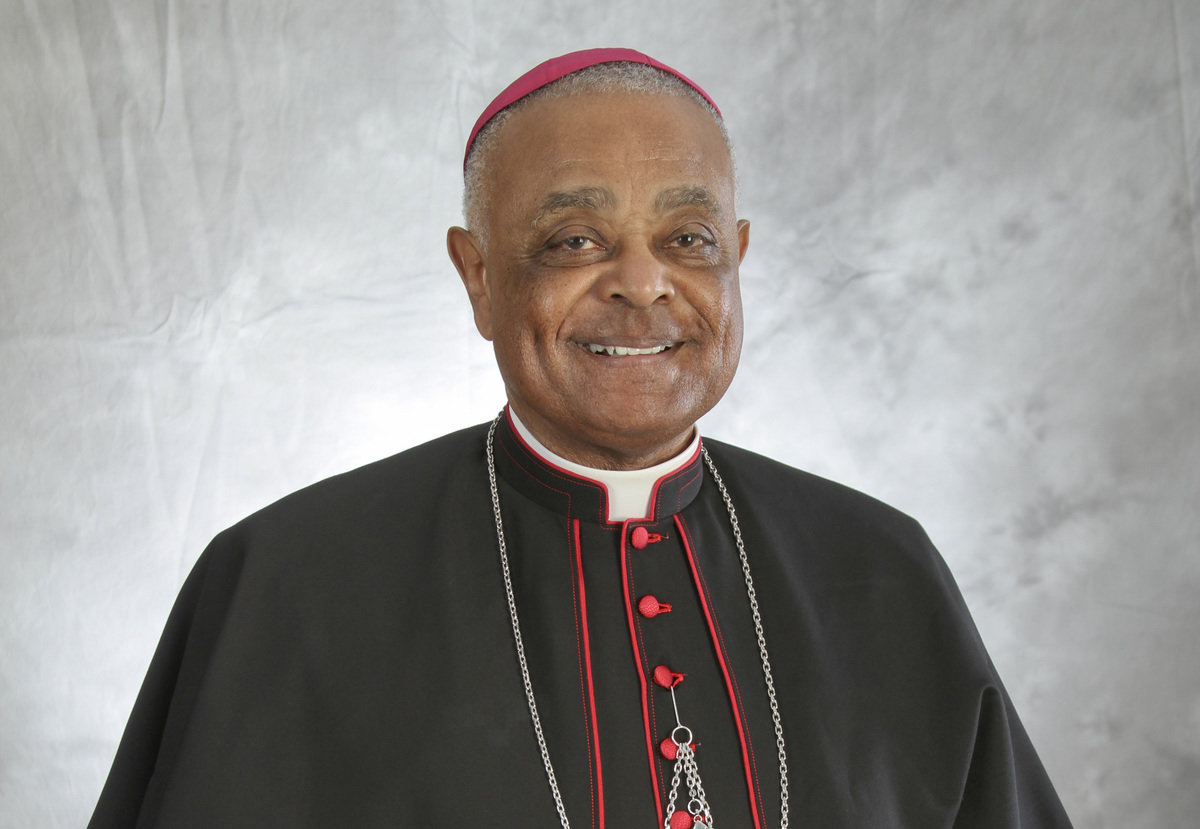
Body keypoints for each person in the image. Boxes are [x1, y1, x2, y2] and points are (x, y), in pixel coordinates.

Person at [89, 48, 1072, 828]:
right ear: (479, 278)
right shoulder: (287, 581)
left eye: (687, 239)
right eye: (575, 241)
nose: (642, 284)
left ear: (735, 261)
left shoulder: (880, 566)